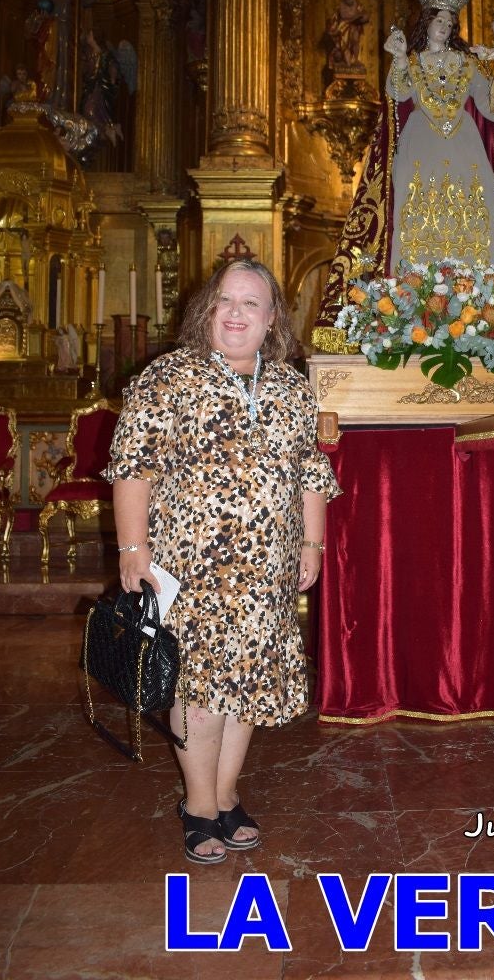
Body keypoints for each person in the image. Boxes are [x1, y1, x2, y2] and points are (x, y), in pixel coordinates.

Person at [106, 259, 341, 864]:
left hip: (268, 568)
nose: (235, 313)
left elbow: (310, 471)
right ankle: (199, 805)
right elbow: (134, 468)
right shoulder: (169, 378)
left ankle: (227, 793)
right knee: (202, 689)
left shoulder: (291, 386)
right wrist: (135, 552)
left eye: (250, 304)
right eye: (224, 302)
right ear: (206, 311)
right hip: (191, 569)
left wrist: (311, 545)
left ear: (272, 320)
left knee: (250, 684)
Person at [311, 0, 494, 351]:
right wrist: (398, 59)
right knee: (412, 212)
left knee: (481, 207)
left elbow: (493, 108)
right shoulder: (413, 61)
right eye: (438, 18)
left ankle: (480, 304)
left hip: (466, 148)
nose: (445, 24)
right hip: (419, 147)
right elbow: (398, 94)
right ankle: (414, 302)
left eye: (450, 19)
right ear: (427, 23)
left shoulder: (470, 65)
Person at [326, 0, 369, 71]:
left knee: (355, 41)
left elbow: (364, 14)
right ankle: (347, 61)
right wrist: (355, 17)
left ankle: (355, 60)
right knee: (344, 46)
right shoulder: (341, 5)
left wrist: (363, 17)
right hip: (343, 27)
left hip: (355, 26)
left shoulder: (357, 3)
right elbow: (342, 16)